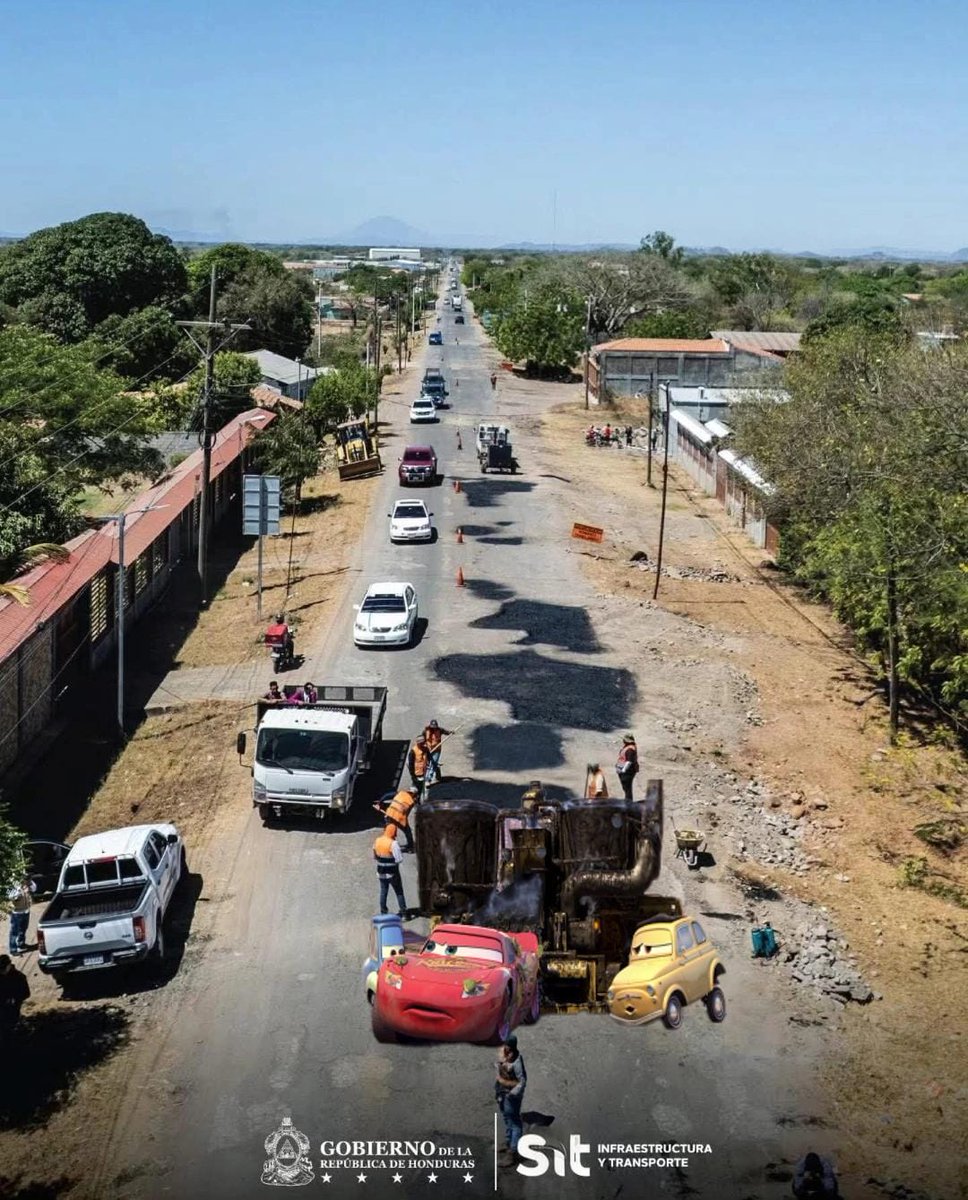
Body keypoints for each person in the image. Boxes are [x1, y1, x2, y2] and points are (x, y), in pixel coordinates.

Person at [495, 1034, 527, 1166]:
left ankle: (513, 1153)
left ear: (511, 1046)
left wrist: (512, 1094)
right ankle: (508, 1143)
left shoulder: (517, 1062)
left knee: (515, 1123)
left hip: (511, 1096)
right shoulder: (506, 1055)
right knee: (507, 1118)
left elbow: (522, 1081)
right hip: (503, 1094)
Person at [373, 825, 407, 916]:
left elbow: (375, 855)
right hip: (392, 872)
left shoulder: (378, 840)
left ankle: (383, 912)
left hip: (381, 872)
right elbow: (399, 859)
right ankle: (404, 913)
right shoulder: (393, 844)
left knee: (383, 892)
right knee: (399, 891)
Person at [374, 788, 419, 852]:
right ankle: (410, 847)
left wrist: (379, 802)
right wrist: (405, 824)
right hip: (399, 817)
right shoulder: (411, 801)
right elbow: (406, 813)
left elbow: (387, 795)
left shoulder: (400, 793)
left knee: (389, 830)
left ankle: (385, 845)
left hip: (389, 813)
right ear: (414, 794)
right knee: (408, 831)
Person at [0, 954, 30, 1039]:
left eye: (3, 969)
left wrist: (14, 998)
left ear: (9, 965)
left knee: (10, 1023)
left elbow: (26, 993)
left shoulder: (19, 977)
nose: (2, 972)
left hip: (13, 1007)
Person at [6, 878, 34, 956]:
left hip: (26, 910)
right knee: (14, 932)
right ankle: (13, 950)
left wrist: (29, 883)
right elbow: (10, 896)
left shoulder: (26, 882)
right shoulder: (11, 884)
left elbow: (35, 888)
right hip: (16, 912)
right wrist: (19, 891)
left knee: (23, 929)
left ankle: (21, 945)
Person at [423, 719, 452, 785]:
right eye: (432, 727)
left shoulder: (440, 730)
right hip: (428, 750)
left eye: (435, 726)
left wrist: (450, 732)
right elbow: (422, 739)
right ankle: (438, 776)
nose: (433, 728)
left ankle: (428, 779)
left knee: (433, 763)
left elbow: (446, 732)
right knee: (428, 764)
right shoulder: (426, 731)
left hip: (437, 750)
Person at [615, 733, 639, 801]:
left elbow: (629, 762)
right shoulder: (628, 747)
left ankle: (628, 802)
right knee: (626, 788)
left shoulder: (630, 749)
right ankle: (628, 801)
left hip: (627, 772)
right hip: (625, 771)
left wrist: (623, 770)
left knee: (627, 788)